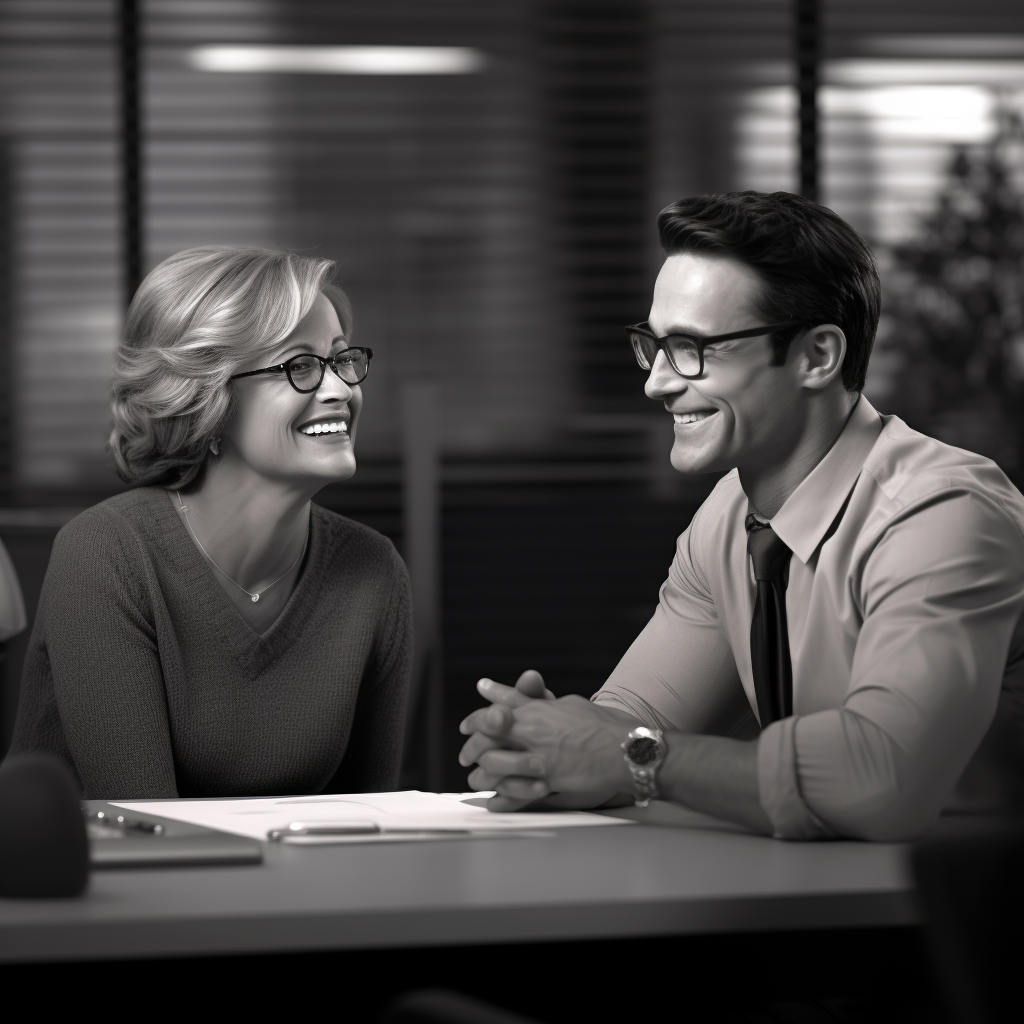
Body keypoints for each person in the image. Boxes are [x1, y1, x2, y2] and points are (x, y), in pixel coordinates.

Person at [459, 190, 1024, 842]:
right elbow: (629, 723)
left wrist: (622, 757)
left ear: (816, 357)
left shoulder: (944, 514)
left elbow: (884, 779)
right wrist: (537, 742)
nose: (657, 382)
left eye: (695, 348)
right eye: (656, 345)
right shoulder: (730, 517)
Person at [9, 246, 412, 800]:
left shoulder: (374, 571)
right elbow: (148, 832)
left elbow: (372, 822)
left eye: (342, 360)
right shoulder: (106, 555)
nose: (342, 389)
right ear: (209, 399)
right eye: (299, 367)